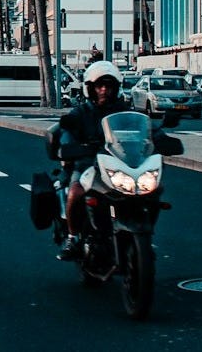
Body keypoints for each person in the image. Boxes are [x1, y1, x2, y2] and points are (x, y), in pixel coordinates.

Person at [56, 60, 129, 260]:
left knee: (152, 190)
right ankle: (72, 238)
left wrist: (159, 138)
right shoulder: (81, 112)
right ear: (91, 88)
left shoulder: (124, 110)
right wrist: (70, 147)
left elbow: (145, 130)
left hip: (119, 164)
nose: (104, 90)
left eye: (109, 85)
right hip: (88, 164)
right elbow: (67, 133)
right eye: (100, 86)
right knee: (75, 192)